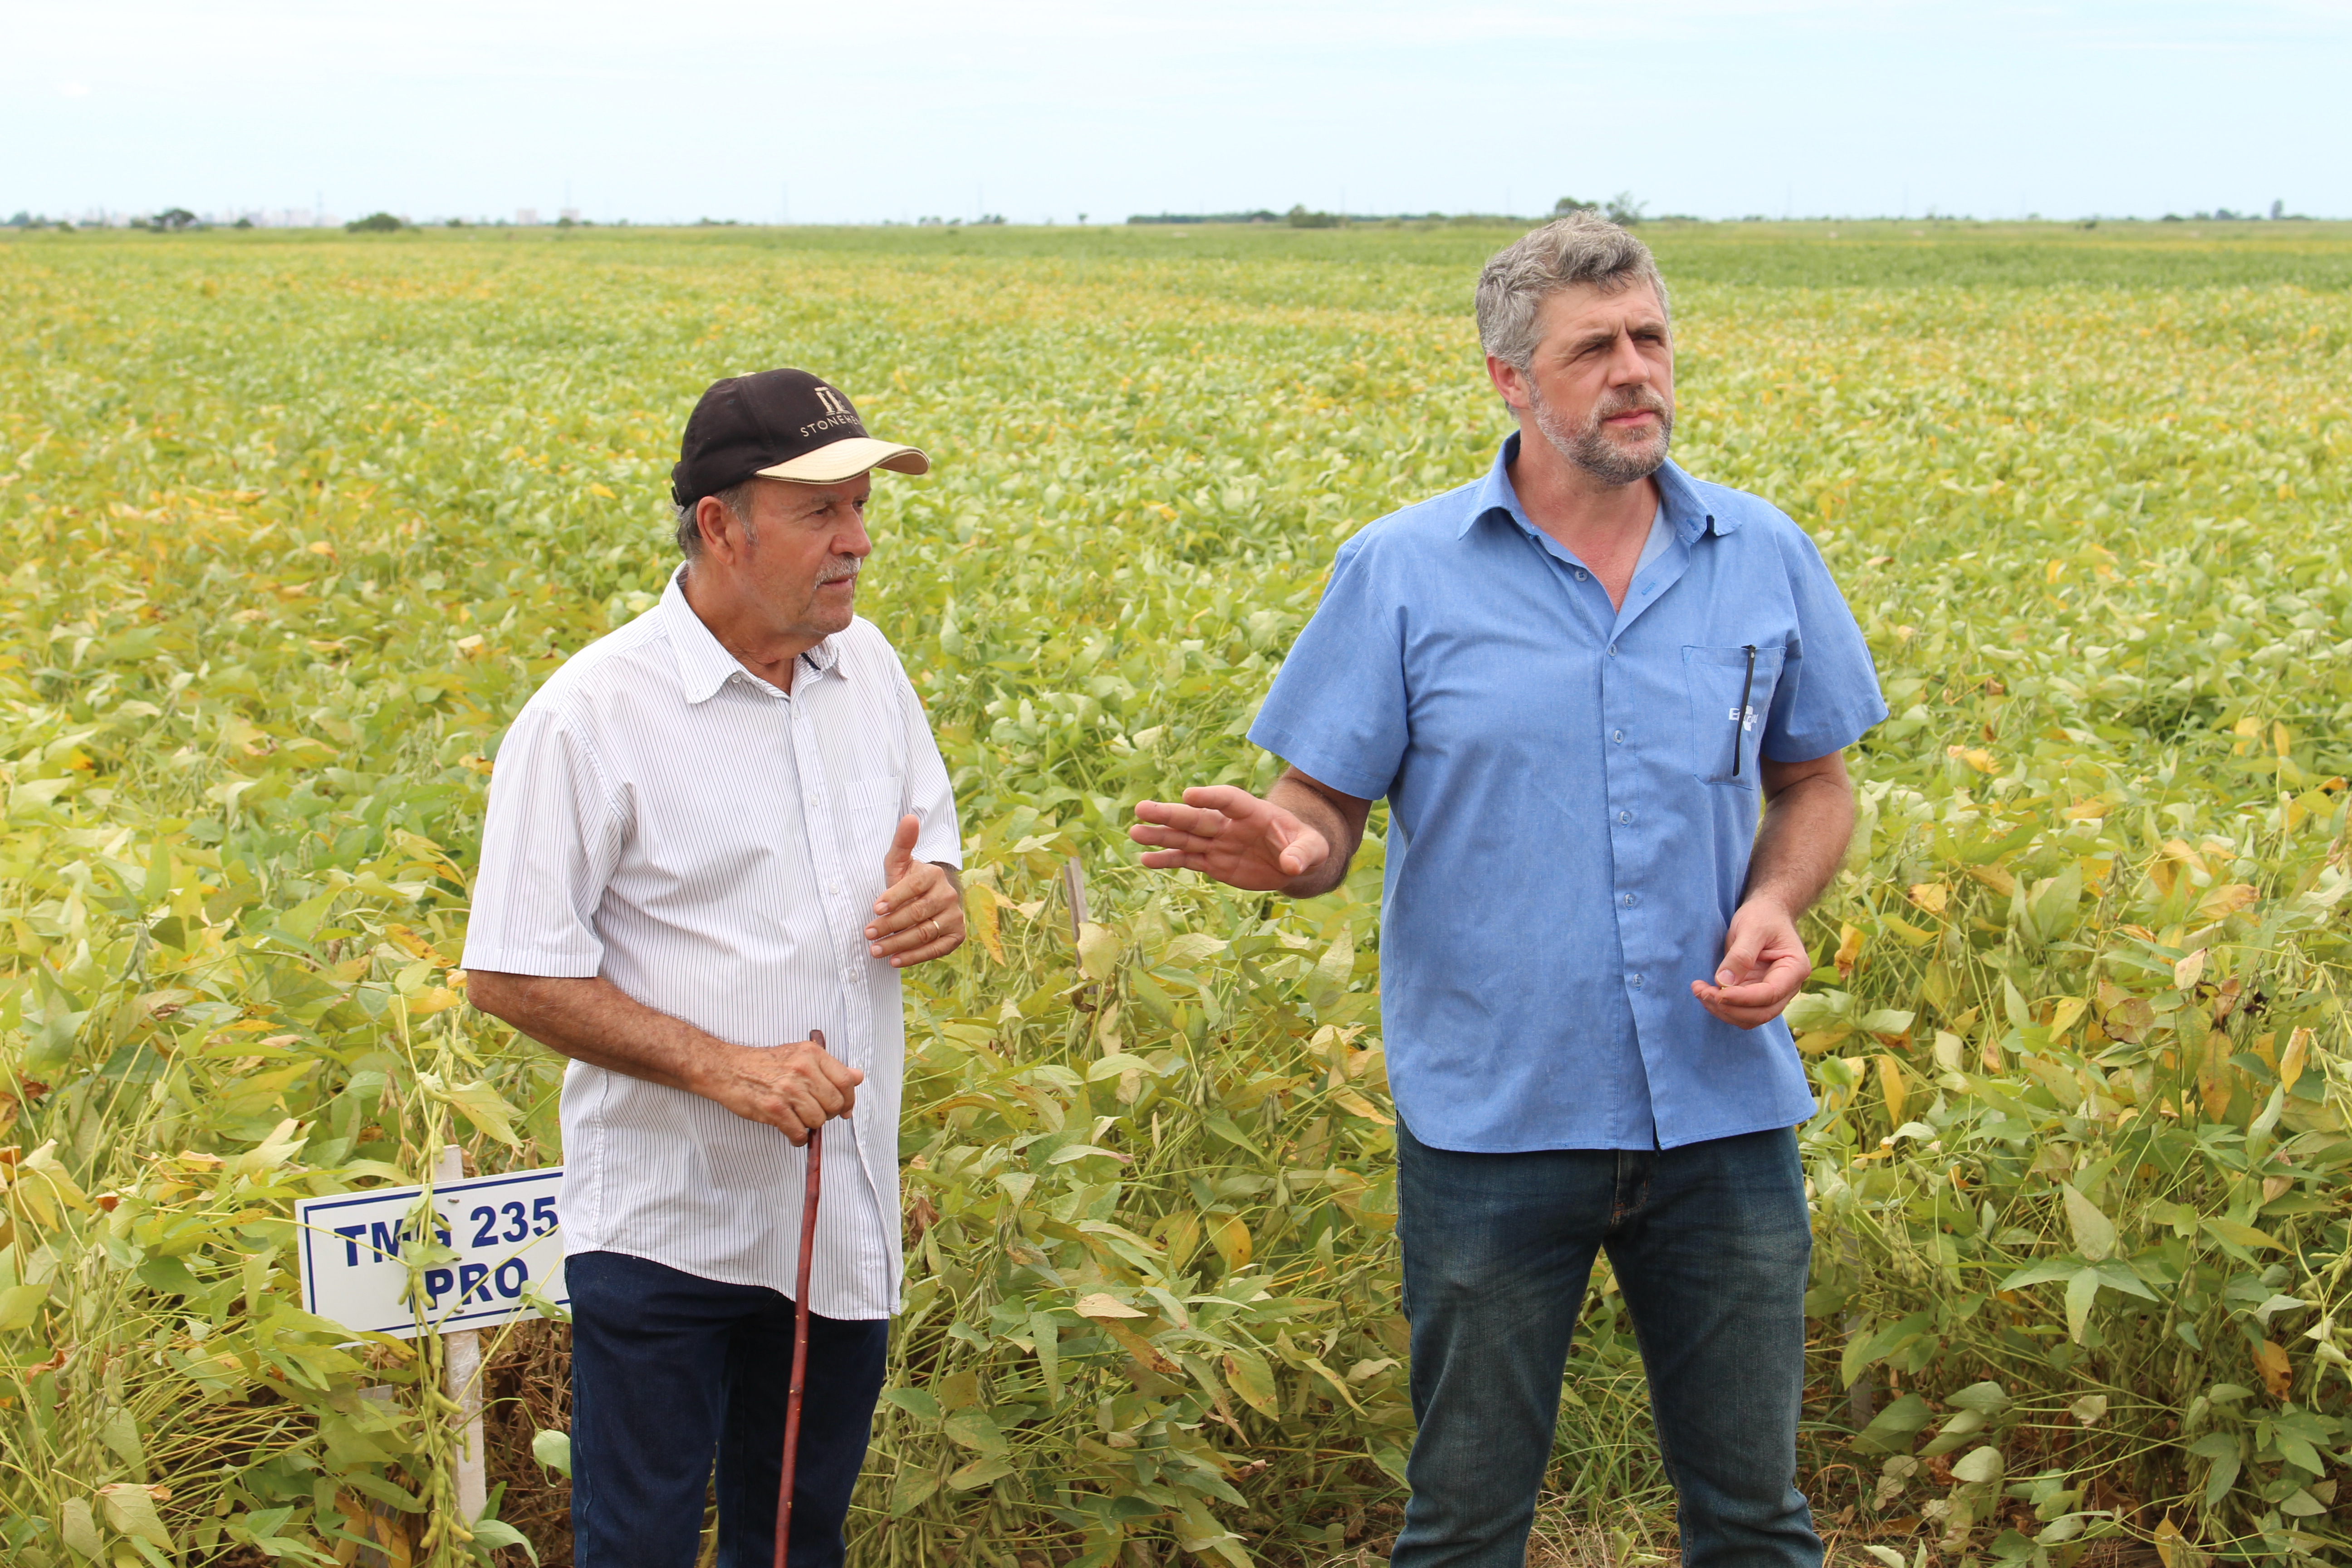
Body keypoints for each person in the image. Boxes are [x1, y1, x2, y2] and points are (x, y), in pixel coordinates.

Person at [1129, 214, 1886, 1568]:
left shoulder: (1762, 552)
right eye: (1593, 349)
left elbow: (1815, 783)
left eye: (1650, 338)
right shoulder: (1403, 570)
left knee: (1758, 1521)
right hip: (1496, 1118)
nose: (1635, 371)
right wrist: (1293, 852)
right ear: (1509, 381)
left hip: (1722, 1111)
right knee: (1465, 1525)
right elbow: (1322, 807)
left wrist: (1776, 903)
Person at [461, 368, 966, 1568]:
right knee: (637, 1545)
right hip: (667, 1226)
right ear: (720, 526)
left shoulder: (870, 670)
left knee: (795, 1539)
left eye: (862, 508)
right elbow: (511, 972)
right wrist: (725, 1067)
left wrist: (937, 897)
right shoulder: (590, 717)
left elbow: (933, 843)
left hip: (837, 1216)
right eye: (821, 511)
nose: (858, 542)